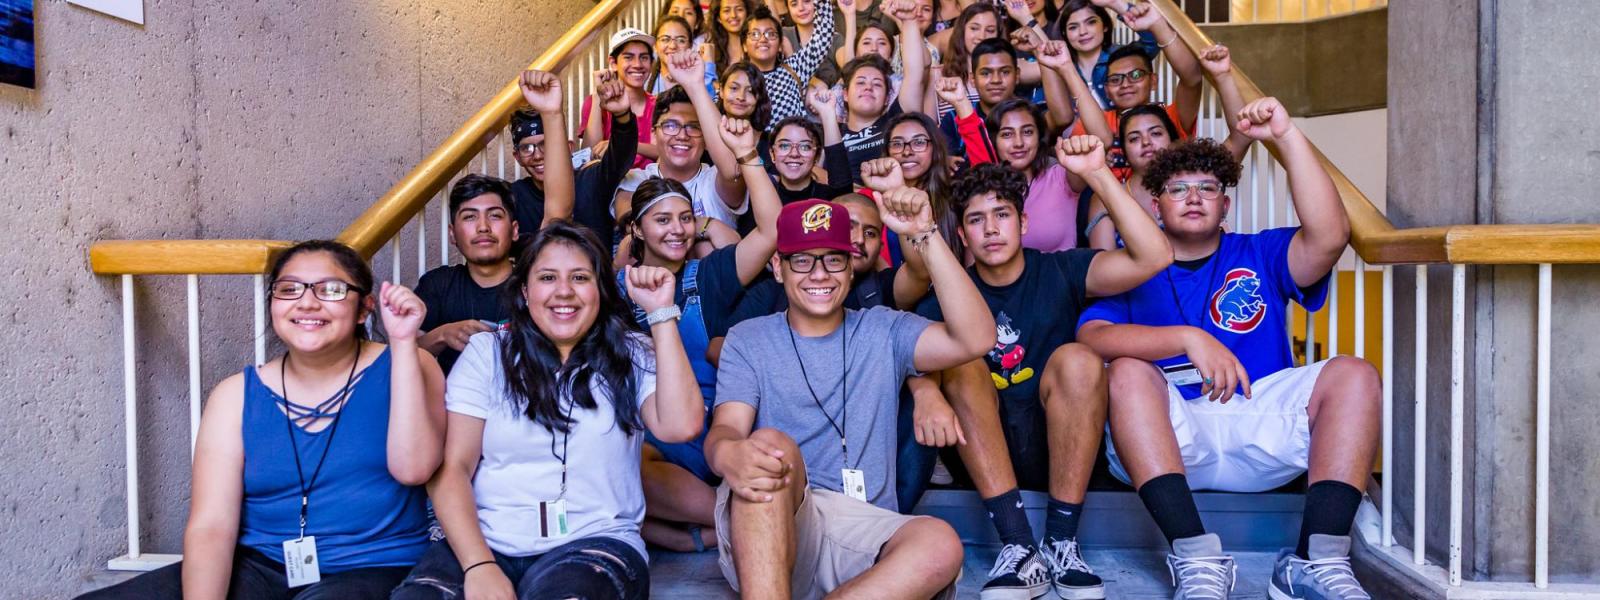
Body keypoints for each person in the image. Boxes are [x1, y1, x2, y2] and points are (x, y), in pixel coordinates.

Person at [1076, 98, 1379, 600]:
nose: (1193, 197)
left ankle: (1316, 562)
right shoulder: (1128, 265)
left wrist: (1285, 136)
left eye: (1208, 188)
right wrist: (1187, 339)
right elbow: (1092, 338)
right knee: (1126, 370)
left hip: (1258, 419)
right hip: (1168, 436)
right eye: (1178, 189)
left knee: (1355, 374)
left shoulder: (1258, 251)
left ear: (1225, 204)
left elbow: (1330, 237)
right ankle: (1195, 556)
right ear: (1155, 205)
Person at [79, 241, 447, 599]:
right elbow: (211, 526)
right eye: (289, 289)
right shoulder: (234, 395)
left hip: (374, 566)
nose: (307, 301)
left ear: (364, 309)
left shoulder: (407, 364)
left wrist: (403, 343)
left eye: (331, 290)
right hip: (263, 565)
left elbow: (414, 468)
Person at [706, 171, 995, 598]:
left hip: (866, 534)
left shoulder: (883, 329)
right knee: (769, 445)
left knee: (939, 544)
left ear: (851, 264)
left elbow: (976, 338)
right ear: (778, 268)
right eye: (802, 260)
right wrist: (729, 453)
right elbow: (726, 430)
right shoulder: (749, 339)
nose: (819, 274)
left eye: (833, 259)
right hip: (779, 520)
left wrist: (925, 234)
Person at [391, 222, 705, 600]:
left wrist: (661, 315)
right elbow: (452, 469)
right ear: (524, 291)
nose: (564, 292)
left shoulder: (633, 352)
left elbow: (681, 425)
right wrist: (479, 565)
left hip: (595, 544)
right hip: (490, 543)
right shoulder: (487, 353)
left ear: (600, 291)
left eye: (579, 277)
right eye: (547, 277)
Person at [914, 137, 1170, 600]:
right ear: (964, 235)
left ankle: (1061, 543)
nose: (991, 229)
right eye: (976, 219)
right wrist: (925, 393)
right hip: (984, 448)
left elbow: (1154, 256)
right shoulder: (953, 289)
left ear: (1024, 222)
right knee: (960, 361)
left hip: (1060, 444)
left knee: (1079, 358)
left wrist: (1097, 174)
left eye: (1002, 215)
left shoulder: (1062, 269)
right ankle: (1017, 545)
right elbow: (910, 350)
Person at [620, 116, 785, 554]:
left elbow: (771, 231)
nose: (676, 230)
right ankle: (728, 522)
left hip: (715, 429)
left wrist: (748, 155)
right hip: (650, 432)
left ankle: (702, 531)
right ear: (637, 229)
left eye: (684, 218)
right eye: (661, 220)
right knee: (630, 467)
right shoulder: (615, 290)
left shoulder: (709, 274)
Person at [1082, 44, 1249, 250]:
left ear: (1174, 141)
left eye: (1156, 133)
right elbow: (1104, 268)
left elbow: (1242, 135)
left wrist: (1223, 76)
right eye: (1134, 138)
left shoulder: (1200, 176)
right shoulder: (1106, 198)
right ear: (1123, 151)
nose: (1146, 142)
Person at [1062, 3, 1203, 180]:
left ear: (1153, 81)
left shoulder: (1170, 117)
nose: (1125, 84)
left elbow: (1192, 79)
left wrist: (1158, 24)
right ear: (1106, 90)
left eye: (1136, 75)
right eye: (1115, 79)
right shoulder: (1091, 124)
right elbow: (1073, 181)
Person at [613, 71, 749, 230]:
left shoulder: (714, 181)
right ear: (654, 135)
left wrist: (696, 85)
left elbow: (733, 171)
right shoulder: (635, 180)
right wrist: (709, 229)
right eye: (670, 126)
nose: (682, 135)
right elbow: (634, 227)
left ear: (707, 139)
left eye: (693, 127)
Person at [507, 69, 624, 249]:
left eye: (545, 145)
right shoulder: (513, 196)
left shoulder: (590, 180)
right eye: (526, 148)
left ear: (568, 148)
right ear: (517, 157)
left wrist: (623, 117)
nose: (537, 155)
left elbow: (622, 155)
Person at [416, 175, 521, 375]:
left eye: (495, 215)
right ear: (452, 234)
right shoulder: (438, 284)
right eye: (470, 217)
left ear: (514, 230)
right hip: (451, 404)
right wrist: (443, 335)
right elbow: (404, 358)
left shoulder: (536, 285)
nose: (483, 227)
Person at [838, 0, 928, 182]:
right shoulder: (834, 133)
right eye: (861, 82)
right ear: (845, 94)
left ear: (888, 98)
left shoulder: (895, 121)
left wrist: (909, 20)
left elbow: (915, 73)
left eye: (877, 84)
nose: (868, 87)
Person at [985, 97, 1084, 252]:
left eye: (1027, 132)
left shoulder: (1062, 177)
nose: (1018, 143)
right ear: (993, 141)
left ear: (1040, 137)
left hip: (1061, 274)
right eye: (1007, 134)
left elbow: (1103, 139)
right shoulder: (983, 188)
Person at [741, 2, 835, 127]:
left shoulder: (796, 67)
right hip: (749, 146)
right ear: (744, 46)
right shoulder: (736, 77)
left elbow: (824, 34)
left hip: (793, 144)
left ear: (780, 45)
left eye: (770, 34)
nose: (763, 39)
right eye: (755, 34)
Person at [1055, 0, 1156, 111]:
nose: (1082, 32)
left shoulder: (1124, 58)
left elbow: (1155, 38)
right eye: (1073, 27)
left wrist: (1116, 4)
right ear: (1065, 33)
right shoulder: (1061, 67)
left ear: (1105, 26)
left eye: (1091, 22)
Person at [583, 28, 660, 169]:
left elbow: (665, 153)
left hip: (649, 186)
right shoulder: (594, 103)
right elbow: (589, 155)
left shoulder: (659, 104)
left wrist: (622, 145)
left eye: (644, 57)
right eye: (628, 57)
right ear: (613, 63)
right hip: (608, 186)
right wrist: (597, 97)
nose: (637, 64)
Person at [768, 89, 852, 204]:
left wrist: (827, 114)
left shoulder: (829, 198)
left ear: (817, 157)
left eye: (805, 147)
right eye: (784, 146)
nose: (794, 153)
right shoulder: (763, 199)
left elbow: (843, 188)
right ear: (772, 154)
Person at [649, 16, 719, 96]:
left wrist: (709, 66)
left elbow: (714, 102)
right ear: (655, 45)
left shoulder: (700, 78)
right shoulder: (644, 80)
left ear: (691, 46)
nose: (672, 46)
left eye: (681, 41)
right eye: (665, 39)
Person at [706, 0, 756, 66]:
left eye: (739, 9)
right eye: (727, 11)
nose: (733, 15)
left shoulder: (759, 46)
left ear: (747, 13)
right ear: (718, 18)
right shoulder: (710, 52)